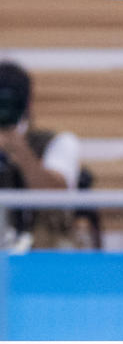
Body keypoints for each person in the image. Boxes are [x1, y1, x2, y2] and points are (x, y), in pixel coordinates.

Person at [0, 61, 93, 249]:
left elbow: (56, 197)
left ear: (27, 103)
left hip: (43, 254)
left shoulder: (59, 142)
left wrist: (21, 152)